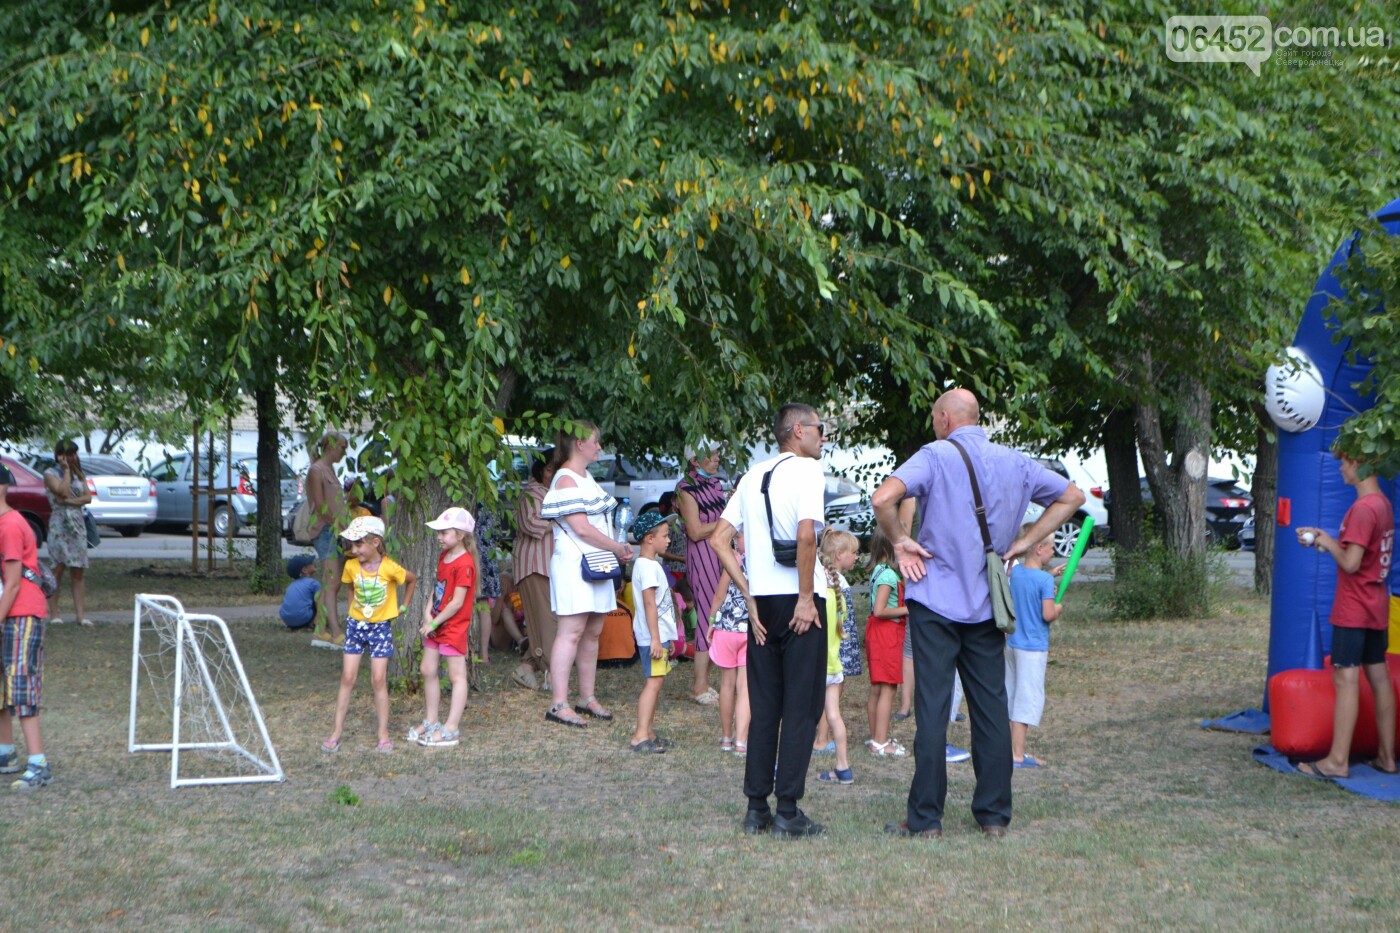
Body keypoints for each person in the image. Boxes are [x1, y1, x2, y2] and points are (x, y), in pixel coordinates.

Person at [873, 388, 1083, 839]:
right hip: (988, 603)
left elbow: (882, 498)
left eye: (934, 417)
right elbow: (1072, 497)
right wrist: (1028, 541)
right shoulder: (1017, 461)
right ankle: (993, 816)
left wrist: (899, 541)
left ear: (946, 419)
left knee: (931, 709)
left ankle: (926, 820)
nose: (933, 424)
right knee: (991, 708)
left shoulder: (934, 455)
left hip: (935, 602)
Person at [712, 403, 829, 839]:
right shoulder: (807, 473)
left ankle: (756, 806)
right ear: (797, 431)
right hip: (800, 599)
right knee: (802, 707)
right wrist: (804, 597)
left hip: (761, 602)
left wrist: (746, 590)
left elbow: (720, 539)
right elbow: (806, 535)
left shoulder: (751, 475)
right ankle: (789, 811)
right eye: (819, 428)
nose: (823, 436)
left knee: (765, 707)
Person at [1293, 450, 1396, 779]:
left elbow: (1351, 563)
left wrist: (1325, 540)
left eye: (1343, 462)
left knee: (1346, 679)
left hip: (1354, 607)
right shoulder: (1382, 504)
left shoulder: (1363, 509)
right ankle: (1387, 757)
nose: (1339, 468)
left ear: (1357, 464)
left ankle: (1337, 762)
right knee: (1378, 678)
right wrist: (1330, 543)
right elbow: (1362, 557)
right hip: (1375, 603)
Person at [540, 421, 633, 728]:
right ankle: (558, 703)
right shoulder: (566, 480)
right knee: (571, 632)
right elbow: (580, 528)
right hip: (575, 565)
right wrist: (617, 548)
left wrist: (613, 548)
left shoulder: (585, 476)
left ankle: (586, 697)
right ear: (580, 444)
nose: (599, 447)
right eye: (596, 441)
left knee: (592, 632)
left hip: (596, 563)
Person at [321, 516, 417, 753]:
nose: (354, 550)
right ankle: (336, 732)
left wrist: (402, 607)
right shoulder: (351, 566)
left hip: (380, 628)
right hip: (356, 626)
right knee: (347, 677)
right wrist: (353, 612)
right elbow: (350, 587)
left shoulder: (389, 567)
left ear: (375, 542)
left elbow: (411, 579)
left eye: (359, 544)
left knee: (378, 679)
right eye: (352, 545)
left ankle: (383, 735)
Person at [0, 463, 52, 790]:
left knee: (20, 689)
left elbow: (15, 584)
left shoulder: (9, 525)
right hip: (9, 611)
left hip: (23, 614)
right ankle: (6, 753)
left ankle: (39, 764)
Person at [408, 507, 477, 749]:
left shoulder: (465, 563)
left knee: (457, 676)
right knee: (427, 669)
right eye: (438, 532)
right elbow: (438, 588)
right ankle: (431, 720)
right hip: (436, 625)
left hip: (453, 627)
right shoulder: (444, 557)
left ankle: (451, 728)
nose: (439, 537)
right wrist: (428, 613)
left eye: (444, 532)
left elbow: (457, 602)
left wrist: (435, 622)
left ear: (460, 535)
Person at [1006, 525, 1064, 769]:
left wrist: (1049, 575)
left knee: (1010, 695)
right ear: (1040, 548)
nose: (1053, 552)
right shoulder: (1044, 580)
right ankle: (1018, 755)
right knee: (1026, 699)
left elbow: (1028, 584)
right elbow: (1048, 614)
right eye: (1051, 548)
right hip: (1033, 648)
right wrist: (1059, 607)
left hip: (1011, 645)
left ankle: (1010, 750)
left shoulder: (1015, 573)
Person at [676, 441, 727, 705]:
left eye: (718, 452)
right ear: (695, 461)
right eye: (712, 453)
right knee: (708, 616)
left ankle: (703, 683)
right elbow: (695, 531)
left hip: (721, 552)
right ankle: (699, 686)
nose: (717, 457)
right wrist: (725, 523)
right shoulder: (685, 489)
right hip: (703, 556)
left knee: (718, 616)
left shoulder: (716, 485)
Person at [628, 511, 680, 753]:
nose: (668, 540)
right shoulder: (647, 567)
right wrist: (656, 639)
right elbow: (650, 604)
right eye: (665, 536)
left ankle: (648, 732)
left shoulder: (650, 565)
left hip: (657, 636)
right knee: (653, 684)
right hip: (652, 637)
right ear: (650, 538)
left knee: (657, 682)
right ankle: (640, 735)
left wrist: (666, 638)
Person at [816, 529, 860, 785]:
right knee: (834, 715)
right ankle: (843, 767)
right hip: (834, 665)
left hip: (817, 665)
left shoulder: (821, 594)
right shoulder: (838, 593)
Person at [513, 452, 558, 691]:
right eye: (549, 469)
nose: (552, 474)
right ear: (540, 470)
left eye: (555, 469)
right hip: (534, 566)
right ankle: (552, 675)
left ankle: (527, 667)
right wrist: (562, 518)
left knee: (548, 621)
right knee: (548, 623)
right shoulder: (532, 493)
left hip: (549, 567)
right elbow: (531, 525)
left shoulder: (555, 493)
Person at [864, 528, 908, 758]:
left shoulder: (878, 571)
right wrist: (909, 609)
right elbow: (880, 610)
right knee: (888, 687)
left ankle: (876, 737)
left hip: (879, 633)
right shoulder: (889, 575)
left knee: (878, 688)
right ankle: (880, 742)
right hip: (887, 634)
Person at [306, 431, 350, 648]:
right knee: (332, 582)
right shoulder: (316, 471)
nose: (344, 452)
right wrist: (341, 527)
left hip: (336, 531)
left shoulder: (330, 469)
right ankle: (336, 632)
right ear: (331, 445)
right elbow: (321, 506)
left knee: (330, 582)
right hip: (325, 530)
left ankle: (320, 631)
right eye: (342, 447)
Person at [42, 440, 92, 626]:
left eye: (73, 454)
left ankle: (81, 616)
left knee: (78, 570)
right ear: (58, 455)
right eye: (67, 454)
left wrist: (71, 502)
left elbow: (88, 497)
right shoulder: (50, 473)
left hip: (77, 525)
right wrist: (66, 471)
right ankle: (54, 614)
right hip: (59, 524)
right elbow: (61, 491)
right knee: (58, 568)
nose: (71, 458)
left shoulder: (80, 474)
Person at [708, 540, 752, 756]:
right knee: (745, 688)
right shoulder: (763, 561)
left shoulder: (733, 560)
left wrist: (711, 621)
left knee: (727, 685)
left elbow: (719, 594)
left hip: (726, 628)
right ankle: (741, 742)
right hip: (750, 630)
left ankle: (726, 738)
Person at [472, 502, 503, 663]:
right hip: (487, 555)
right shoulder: (490, 501)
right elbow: (497, 533)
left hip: (469, 552)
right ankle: (483, 654)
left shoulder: (464, 496)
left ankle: (468, 652)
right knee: (483, 604)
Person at [279, 554, 324, 631]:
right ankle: (312, 623)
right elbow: (320, 604)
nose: (312, 563)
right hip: (303, 618)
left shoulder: (291, 585)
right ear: (304, 570)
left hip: (286, 619)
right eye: (310, 563)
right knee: (321, 599)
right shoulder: (313, 583)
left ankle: (294, 626)